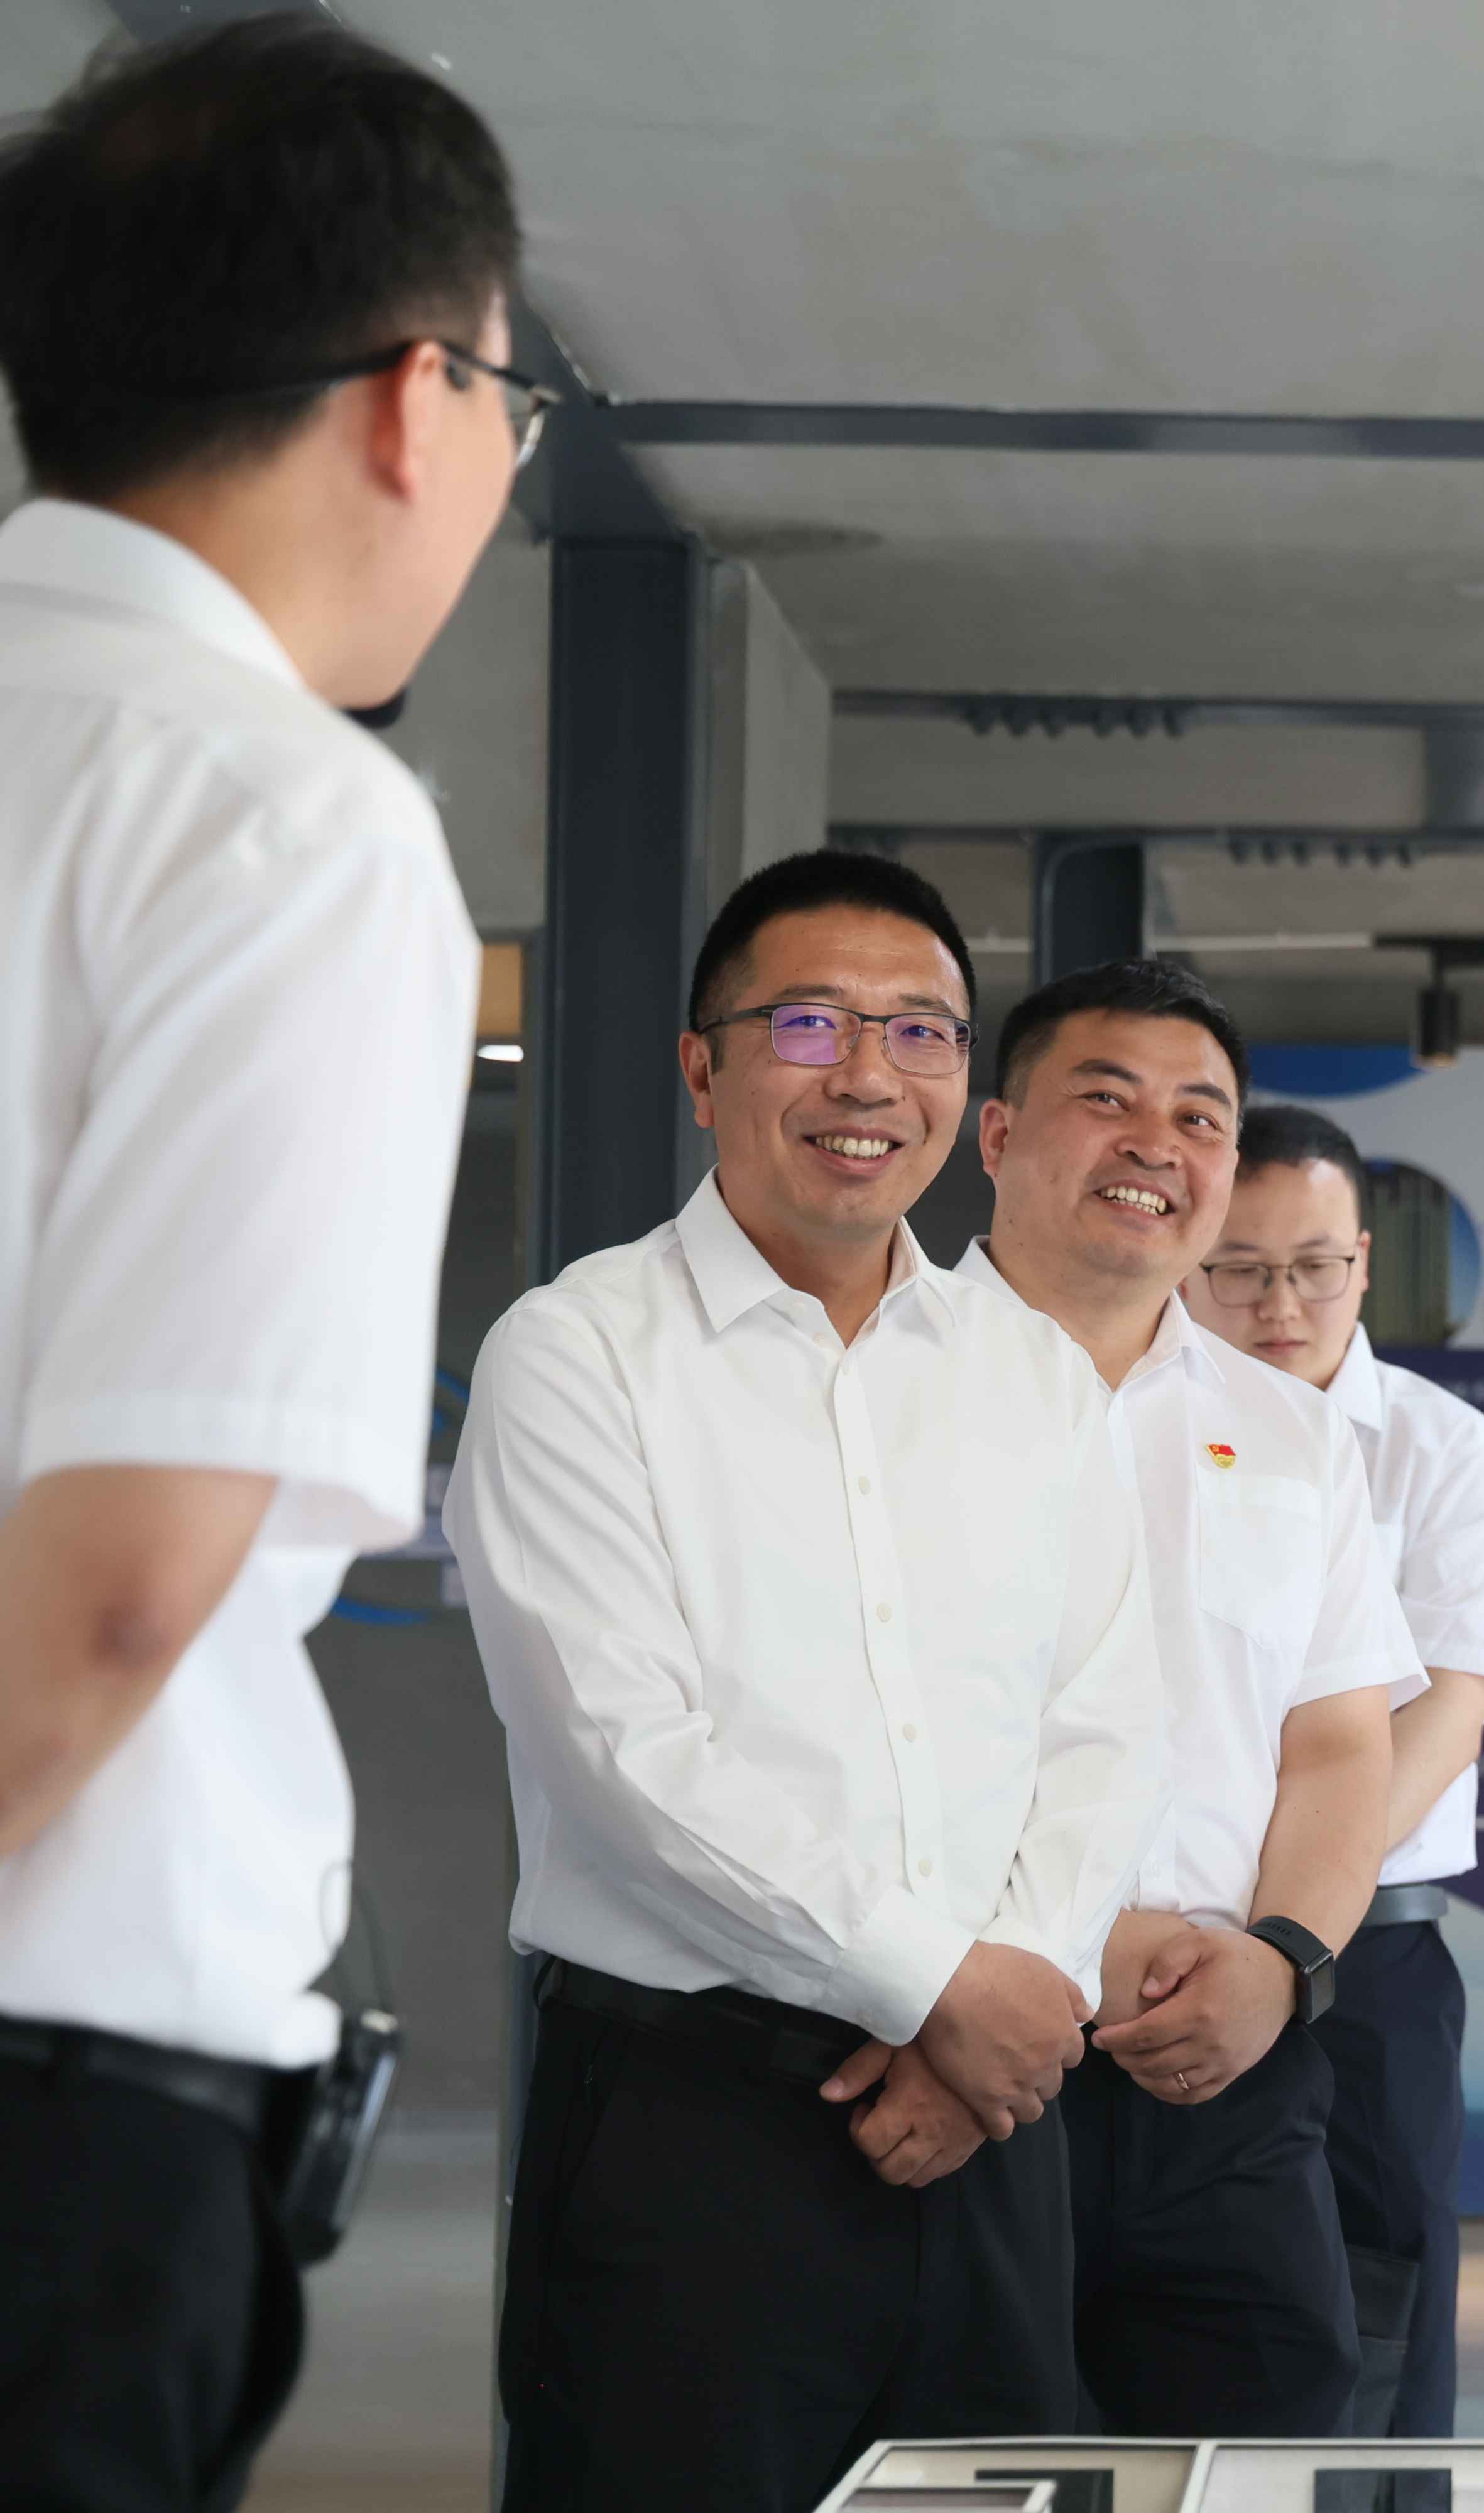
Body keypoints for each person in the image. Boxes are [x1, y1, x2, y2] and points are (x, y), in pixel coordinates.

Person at [0, 23, 520, 2507]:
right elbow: (115, 1590)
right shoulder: (277, 817)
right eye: (520, 399)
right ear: (419, 399)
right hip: (56, 2089)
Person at [449, 854, 1170, 2513]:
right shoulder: (580, 1352)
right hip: (691, 2124)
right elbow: (624, 1751)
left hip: (991, 2124)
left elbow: (1107, 1719)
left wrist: (1013, 1995)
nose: (866, 1076)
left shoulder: (1029, 1374)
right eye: (807, 1024)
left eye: (920, 1031)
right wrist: (935, 1985)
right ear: (701, 1068)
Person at [961, 963, 1423, 2437]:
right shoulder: (877, 1393)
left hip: (1227, 2066)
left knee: (1261, 2443)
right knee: (965, 2458)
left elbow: (1339, 1746)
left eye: (1199, 1115)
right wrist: (1057, 1945)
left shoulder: (1293, 1435)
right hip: (950, 2052)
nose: (1156, 1144)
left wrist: (1282, 1960)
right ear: (995, 1133)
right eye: (1107, 1097)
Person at [1188, 1101, 1484, 2438]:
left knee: (1384, 2294)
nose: (1282, 1304)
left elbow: (1450, 1711)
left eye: (1315, 1266)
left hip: (1367, 1956)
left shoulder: (1447, 1453)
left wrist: (1287, 1922)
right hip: (1157, 1950)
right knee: (1191, 2304)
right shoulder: (1133, 1429)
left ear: (1364, 1262)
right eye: (1241, 1268)